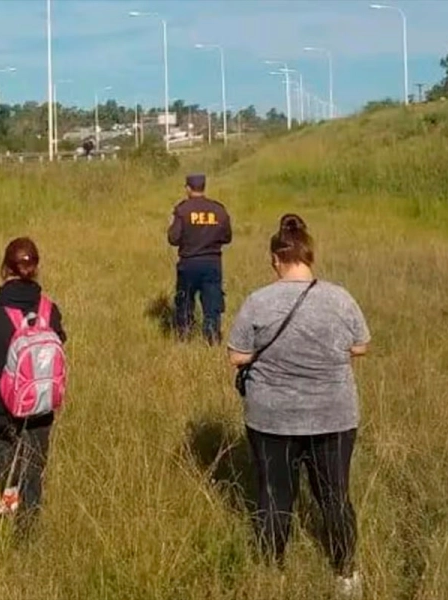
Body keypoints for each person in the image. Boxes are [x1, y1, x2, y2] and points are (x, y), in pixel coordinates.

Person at [226, 214, 370, 598]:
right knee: (335, 496)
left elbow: (236, 356)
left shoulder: (258, 301)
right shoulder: (340, 298)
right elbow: (361, 346)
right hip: (334, 416)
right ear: (310, 256)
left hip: (271, 418)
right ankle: (345, 573)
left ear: (276, 259)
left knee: (275, 495)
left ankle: (272, 572)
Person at [0, 237, 66, 532]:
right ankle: (28, 522)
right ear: (36, 269)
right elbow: (60, 340)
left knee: (0, 446)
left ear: (4, 268)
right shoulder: (50, 309)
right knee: (35, 459)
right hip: (41, 401)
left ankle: (11, 491)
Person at [167, 173, 232, 344]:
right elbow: (227, 237)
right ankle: (212, 339)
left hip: (188, 263)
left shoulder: (182, 210)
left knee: (185, 302)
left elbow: (173, 239)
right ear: (204, 187)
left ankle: (184, 337)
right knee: (212, 304)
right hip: (212, 263)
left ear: (188, 188)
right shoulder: (218, 210)